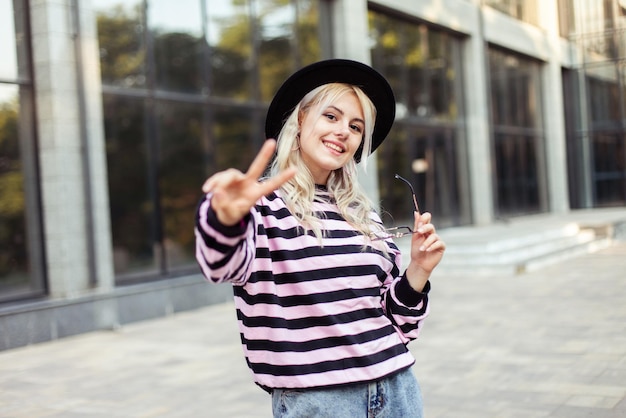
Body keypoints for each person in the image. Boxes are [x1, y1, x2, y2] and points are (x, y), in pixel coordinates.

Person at [195, 59, 445, 418]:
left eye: (355, 126)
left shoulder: (364, 216)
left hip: (397, 390)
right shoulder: (262, 206)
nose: (344, 131)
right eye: (331, 116)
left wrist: (418, 272)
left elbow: (397, 325)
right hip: (320, 402)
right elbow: (218, 266)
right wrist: (223, 218)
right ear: (299, 120)